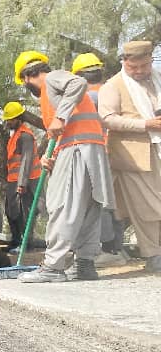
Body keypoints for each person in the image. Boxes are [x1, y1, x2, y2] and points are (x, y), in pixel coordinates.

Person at [13, 51, 114, 283]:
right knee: (88, 208)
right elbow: (63, 131)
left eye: (24, 81)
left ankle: (53, 266)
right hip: (88, 149)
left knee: (62, 205)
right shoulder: (51, 95)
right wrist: (53, 156)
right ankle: (85, 265)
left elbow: (78, 83)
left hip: (79, 149)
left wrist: (60, 116)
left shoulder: (51, 78)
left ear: (27, 76)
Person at [98, 41, 161, 273]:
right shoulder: (113, 86)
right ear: (124, 62)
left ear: (151, 61)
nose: (139, 71)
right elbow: (107, 118)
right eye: (133, 67)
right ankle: (153, 254)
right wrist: (145, 124)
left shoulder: (158, 78)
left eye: (143, 66)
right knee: (148, 208)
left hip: (158, 150)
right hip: (134, 156)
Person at [72, 52, 126, 264]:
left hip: (98, 153)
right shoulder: (112, 92)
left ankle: (106, 250)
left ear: (79, 77)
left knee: (99, 201)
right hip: (118, 152)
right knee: (114, 202)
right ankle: (116, 248)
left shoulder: (87, 98)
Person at [1, 102, 42, 252]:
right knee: (11, 211)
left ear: (19, 118)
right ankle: (16, 240)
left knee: (24, 213)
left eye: (10, 119)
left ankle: (25, 244)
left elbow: (27, 160)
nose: (8, 122)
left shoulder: (25, 136)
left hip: (26, 181)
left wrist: (22, 183)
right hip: (14, 180)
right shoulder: (16, 135)